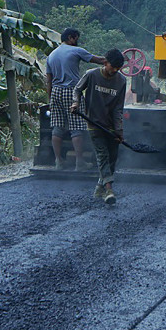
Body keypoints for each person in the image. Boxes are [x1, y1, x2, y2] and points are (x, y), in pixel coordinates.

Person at [71, 49, 128, 204]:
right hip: (94, 123)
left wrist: (119, 130)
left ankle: (99, 187)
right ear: (105, 62)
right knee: (102, 156)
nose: (115, 70)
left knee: (112, 157)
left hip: (111, 125)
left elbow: (118, 108)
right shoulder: (91, 75)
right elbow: (77, 89)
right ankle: (109, 190)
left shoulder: (121, 81)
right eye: (113, 66)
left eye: (118, 68)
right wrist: (76, 102)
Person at [46, 28, 106, 170]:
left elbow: (48, 81)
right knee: (76, 127)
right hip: (71, 91)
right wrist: (118, 59)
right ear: (71, 38)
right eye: (76, 38)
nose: (77, 41)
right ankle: (80, 162)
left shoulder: (51, 55)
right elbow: (100, 60)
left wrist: (50, 99)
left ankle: (58, 162)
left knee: (57, 127)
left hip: (55, 92)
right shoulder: (76, 50)